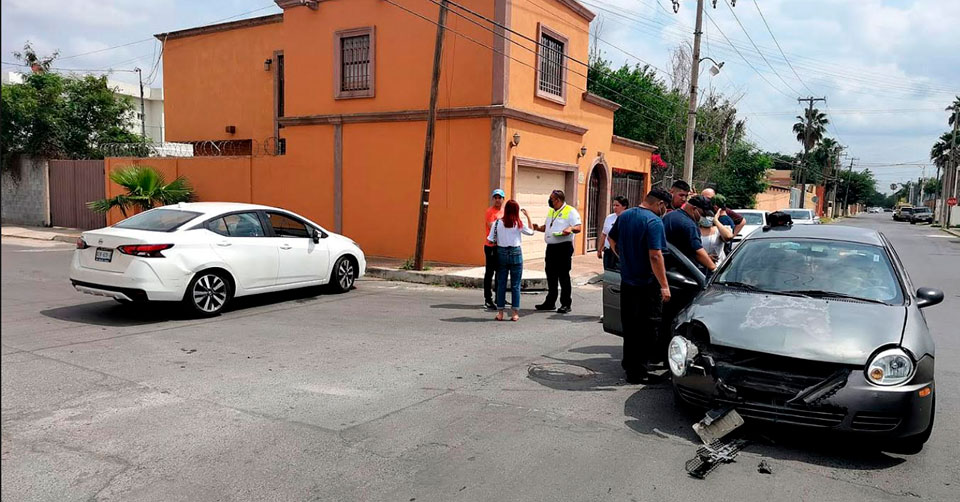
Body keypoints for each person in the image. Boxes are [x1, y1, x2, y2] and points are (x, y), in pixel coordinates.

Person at [607, 188, 673, 383]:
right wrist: (664, 285)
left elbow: (611, 238)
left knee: (631, 327)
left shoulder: (625, 216)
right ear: (660, 204)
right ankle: (639, 372)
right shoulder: (654, 222)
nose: (665, 211)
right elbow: (655, 255)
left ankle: (630, 365)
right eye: (665, 207)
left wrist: (623, 257)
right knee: (648, 329)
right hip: (647, 284)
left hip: (627, 281)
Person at [531, 189, 582, 314]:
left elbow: (578, 227)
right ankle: (550, 302)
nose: (549, 201)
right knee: (550, 274)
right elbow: (548, 227)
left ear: (558, 200)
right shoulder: (552, 211)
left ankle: (566, 303)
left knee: (563, 275)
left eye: (551, 199)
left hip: (563, 247)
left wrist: (570, 229)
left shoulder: (570, 211)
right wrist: (538, 228)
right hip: (551, 248)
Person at [487, 200, 535, 321]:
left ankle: (500, 313)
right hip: (515, 253)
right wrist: (528, 216)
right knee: (515, 285)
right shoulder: (518, 223)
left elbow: (490, 239)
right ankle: (514, 313)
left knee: (501, 284)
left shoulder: (497, 223)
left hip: (501, 253)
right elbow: (531, 232)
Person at [662, 195, 718, 274]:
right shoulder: (689, 225)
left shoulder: (670, 216)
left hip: (665, 266)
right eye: (703, 214)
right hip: (681, 271)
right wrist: (715, 270)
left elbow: (682, 246)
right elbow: (698, 252)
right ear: (694, 209)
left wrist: (706, 258)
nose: (703, 218)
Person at [483, 189, 505, 310]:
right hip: (491, 246)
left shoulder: (504, 211)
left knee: (500, 273)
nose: (497, 200)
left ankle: (499, 297)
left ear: (503, 199)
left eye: (499, 197)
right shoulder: (490, 211)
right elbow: (492, 226)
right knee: (489, 273)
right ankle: (488, 298)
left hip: (500, 246)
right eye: (495, 197)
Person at [597, 196, 629, 271]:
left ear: (624, 206)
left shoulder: (629, 218)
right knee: (608, 271)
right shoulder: (609, 218)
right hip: (608, 250)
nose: (614, 207)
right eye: (613, 205)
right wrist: (599, 249)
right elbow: (604, 234)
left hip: (621, 251)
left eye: (617, 205)